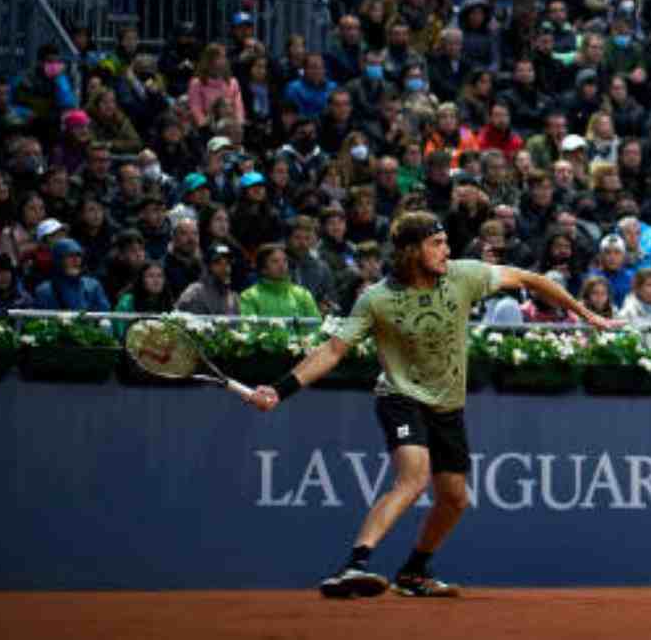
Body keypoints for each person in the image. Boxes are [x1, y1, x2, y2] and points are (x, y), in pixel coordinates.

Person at [248, 211, 622, 598]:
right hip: (400, 395)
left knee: (455, 498)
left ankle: (413, 572)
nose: (446, 251)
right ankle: (354, 565)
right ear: (411, 251)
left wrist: (587, 314)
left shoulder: (464, 275)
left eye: (445, 242)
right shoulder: (377, 299)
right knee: (413, 476)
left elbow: (530, 279)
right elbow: (332, 350)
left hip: (447, 404)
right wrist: (280, 389)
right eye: (436, 244)